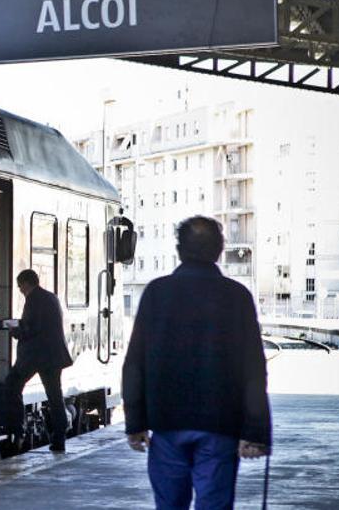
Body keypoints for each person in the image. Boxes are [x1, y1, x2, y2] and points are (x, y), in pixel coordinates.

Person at [123, 216, 271, 510]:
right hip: (220, 427)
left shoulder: (156, 293)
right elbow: (254, 369)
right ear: (219, 250)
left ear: (179, 250)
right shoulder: (237, 296)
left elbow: (134, 363)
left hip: (166, 426)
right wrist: (254, 432)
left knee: (169, 505)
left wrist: (135, 423)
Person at [0, 269, 74, 452]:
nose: (20, 290)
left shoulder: (33, 300)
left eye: (20, 286)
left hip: (37, 356)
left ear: (27, 283)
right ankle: (59, 439)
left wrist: (13, 329)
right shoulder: (51, 297)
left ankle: (17, 430)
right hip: (53, 356)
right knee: (55, 397)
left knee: (12, 384)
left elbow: (29, 329)